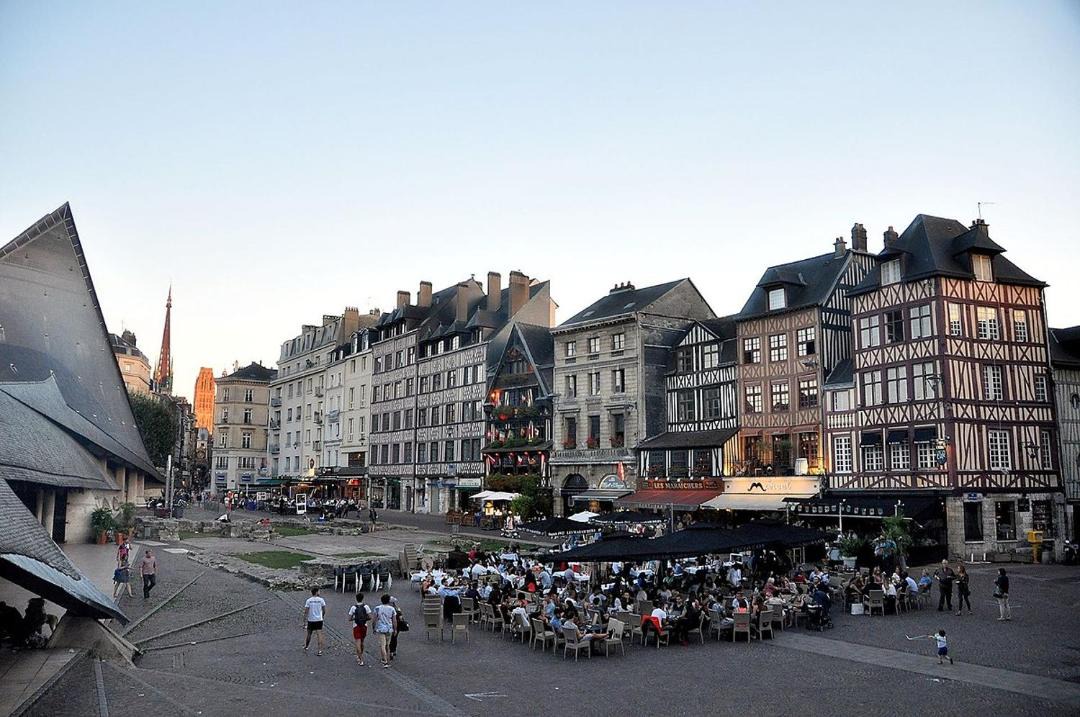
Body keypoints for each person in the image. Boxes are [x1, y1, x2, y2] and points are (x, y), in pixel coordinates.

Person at [372, 594, 398, 668]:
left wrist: (373, 628)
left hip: (381, 628)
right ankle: (387, 658)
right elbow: (394, 620)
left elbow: (374, 620)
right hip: (389, 629)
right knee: (387, 644)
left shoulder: (377, 608)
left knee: (382, 645)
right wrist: (395, 629)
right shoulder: (392, 609)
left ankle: (384, 660)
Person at [347, 592, 370, 665]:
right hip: (364, 625)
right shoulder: (366, 607)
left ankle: (360, 659)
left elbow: (349, 618)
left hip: (356, 626)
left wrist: (355, 618)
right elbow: (369, 617)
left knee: (357, 642)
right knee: (362, 642)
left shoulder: (353, 607)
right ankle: (361, 654)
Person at [303, 586, 327, 656]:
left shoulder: (309, 600)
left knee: (309, 634)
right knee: (319, 634)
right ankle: (319, 650)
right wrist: (322, 616)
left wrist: (304, 621)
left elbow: (306, 611)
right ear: (316, 592)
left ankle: (306, 646)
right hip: (319, 619)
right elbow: (324, 610)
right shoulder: (321, 600)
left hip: (311, 619)